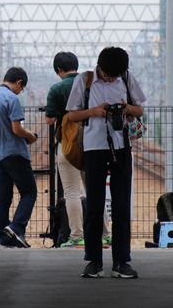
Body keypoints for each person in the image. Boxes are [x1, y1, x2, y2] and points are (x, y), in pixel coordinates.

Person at [66, 46, 146, 279]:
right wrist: (94, 111)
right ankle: (93, 261)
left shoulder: (127, 77)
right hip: (94, 148)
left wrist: (127, 108)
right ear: (100, 68)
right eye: (109, 75)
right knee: (94, 206)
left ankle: (122, 261)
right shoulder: (85, 80)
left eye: (116, 75)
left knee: (121, 207)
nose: (112, 78)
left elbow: (140, 109)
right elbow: (72, 115)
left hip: (121, 147)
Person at [43, 52, 111, 248]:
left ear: (59, 70)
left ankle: (77, 237)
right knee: (94, 191)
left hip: (68, 145)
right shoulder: (90, 84)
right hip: (92, 143)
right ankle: (105, 235)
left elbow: (49, 120)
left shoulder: (57, 88)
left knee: (72, 192)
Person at [0, 67, 38, 249]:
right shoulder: (12, 98)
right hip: (14, 152)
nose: (20, 92)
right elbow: (17, 129)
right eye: (21, 88)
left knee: (3, 197)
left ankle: (2, 239)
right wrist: (30, 136)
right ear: (19, 82)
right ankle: (17, 227)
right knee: (29, 192)